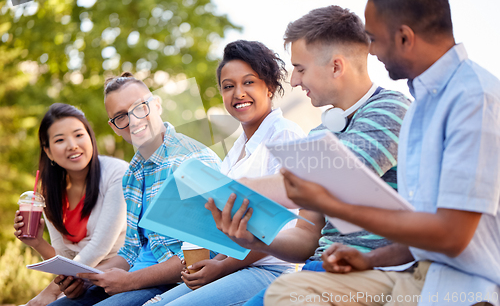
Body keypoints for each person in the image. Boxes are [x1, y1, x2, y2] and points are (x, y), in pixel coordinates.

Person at [258, 0, 500, 305]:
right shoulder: (423, 106)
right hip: (417, 272)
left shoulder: (474, 98)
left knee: (290, 296)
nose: (369, 50)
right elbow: (425, 231)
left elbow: (452, 237)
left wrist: (332, 204)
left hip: (466, 286)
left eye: (374, 39)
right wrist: (371, 260)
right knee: (286, 292)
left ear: (404, 37)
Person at [206, 6, 411, 305]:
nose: (294, 81)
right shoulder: (317, 134)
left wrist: (239, 188)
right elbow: (305, 238)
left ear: (336, 66)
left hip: (374, 273)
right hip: (316, 271)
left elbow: (337, 177)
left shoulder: (391, 110)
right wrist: (254, 239)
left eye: (300, 68)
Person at [144, 40, 305, 306]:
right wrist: (212, 264)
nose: (238, 93)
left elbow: (283, 227)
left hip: (269, 269)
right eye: (228, 86)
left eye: (249, 82)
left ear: (270, 86)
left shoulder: (285, 135)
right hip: (234, 265)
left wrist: (222, 267)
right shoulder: (234, 152)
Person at [48, 73, 221, 306]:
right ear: (114, 127)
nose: (133, 120)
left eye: (140, 108)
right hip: (136, 277)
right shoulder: (132, 174)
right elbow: (131, 252)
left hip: (177, 283)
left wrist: (129, 281)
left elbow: (206, 252)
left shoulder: (191, 160)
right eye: (121, 116)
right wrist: (86, 278)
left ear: (157, 105)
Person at [13, 103, 128, 306]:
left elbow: (99, 248)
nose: (72, 145)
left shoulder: (116, 174)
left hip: (120, 273)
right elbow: (65, 258)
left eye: (78, 135)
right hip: (81, 280)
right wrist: (38, 242)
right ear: (48, 151)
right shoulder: (49, 192)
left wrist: (50, 291)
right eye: (60, 140)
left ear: (90, 137)